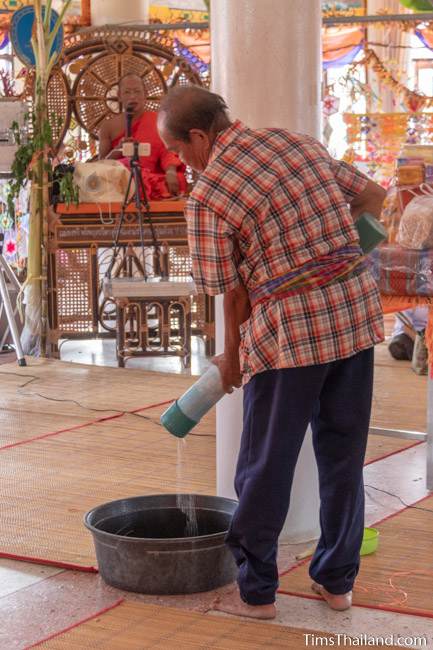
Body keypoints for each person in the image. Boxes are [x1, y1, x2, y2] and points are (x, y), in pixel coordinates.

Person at [158, 86, 385, 620]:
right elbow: (373, 196)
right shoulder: (298, 143)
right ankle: (337, 583)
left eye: (177, 150)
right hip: (354, 316)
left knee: (265, 463)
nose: (180, 163)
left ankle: (258, 592)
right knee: (343, 458)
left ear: (199, 137)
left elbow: (231, 292)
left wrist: (230, 358)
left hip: (289, 337)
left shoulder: (210, 194)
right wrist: (333, 260)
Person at [99, 73, 186, 200]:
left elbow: (168, 152)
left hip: (151, 178)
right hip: (120, 179)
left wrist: (171, 172)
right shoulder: (108, 126)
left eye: (137, 92)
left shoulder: (158, 121)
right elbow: (101, 164)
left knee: (176, 178)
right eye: (127, 92)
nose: (133, 96)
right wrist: (118, 149)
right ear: (119, 96)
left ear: (145, 94)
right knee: (126, 168)